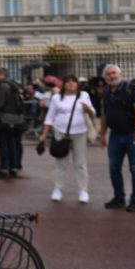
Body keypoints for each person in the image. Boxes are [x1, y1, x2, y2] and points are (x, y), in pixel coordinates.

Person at [38, 75, 95, 204]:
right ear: (63, 84)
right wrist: (44, 134)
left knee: (80, 163)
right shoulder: (57, 98)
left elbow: (93, 113)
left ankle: (83, 190)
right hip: (61, 132)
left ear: (77, 84)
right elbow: (50, 116)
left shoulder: (84, 95)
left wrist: (88, 109)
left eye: (73, 82)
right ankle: (58, 189)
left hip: (80, 132)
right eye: (67, 82)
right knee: (61, 162)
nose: (70, 84)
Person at [98, 64, 135, 212]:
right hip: (115, 136)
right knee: (114, 168)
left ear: (120, 74)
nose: (111, 76)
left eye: (114, 73)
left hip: (132, 134)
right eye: (108, 74)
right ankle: (119, 197)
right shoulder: (106, 92)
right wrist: (102, 134)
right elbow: (105, 115)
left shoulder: (131, 88)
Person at [0, 68, 24, 178]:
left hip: (4, 119)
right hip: (15, 119)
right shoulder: (14, 86)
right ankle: (13, 166)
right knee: (13, 143)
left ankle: (4, 167)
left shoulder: (3, 87)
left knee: (3, 144)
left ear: (3, 75)